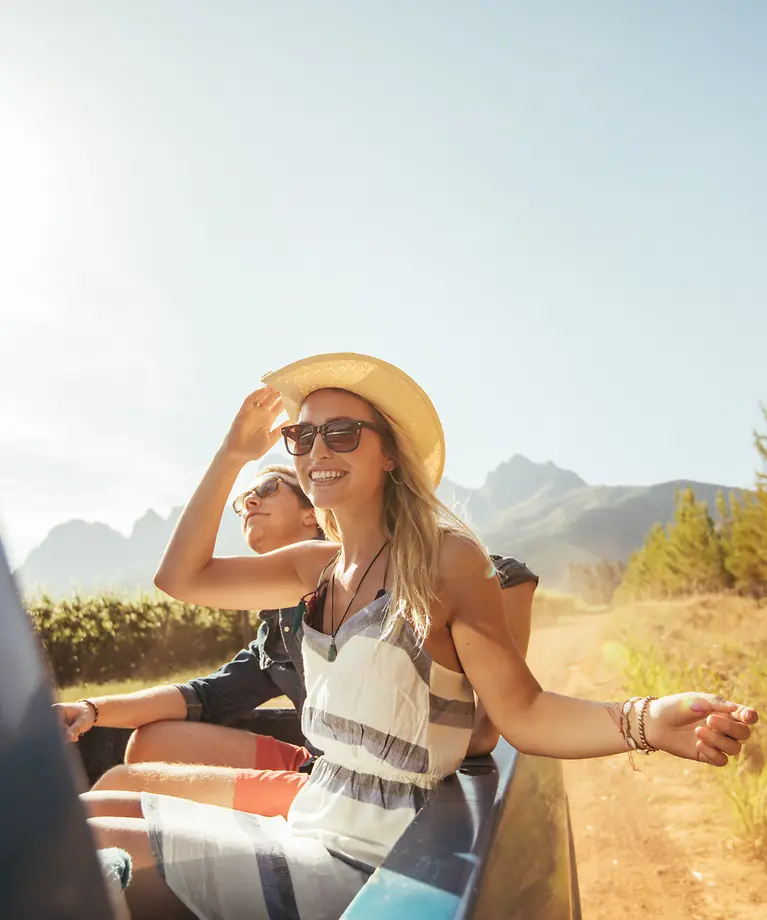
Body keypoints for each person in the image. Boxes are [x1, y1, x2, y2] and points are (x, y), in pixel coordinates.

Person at [88, 353, 758, 920]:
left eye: (343, 433)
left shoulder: (446, 560)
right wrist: (233, 454)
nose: (319, 450)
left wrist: (646, 720)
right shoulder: (312, 569)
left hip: (371, 855)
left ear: (388, 455)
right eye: (303, 437)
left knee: (81, 848)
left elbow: (522, 713)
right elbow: (180, 576)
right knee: (84, 816)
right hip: (313, 813)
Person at [66, 465, 538, 820]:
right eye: (244, 498)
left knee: (112, 795)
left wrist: (491, 713)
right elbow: (202, 695)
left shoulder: (390, 574)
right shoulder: (275, 628)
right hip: (316, 766)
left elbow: (505, 573)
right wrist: (92, 709)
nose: (250, 501)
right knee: (150, 743)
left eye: (268, 488)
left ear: (314, 514)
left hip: (371, 788)